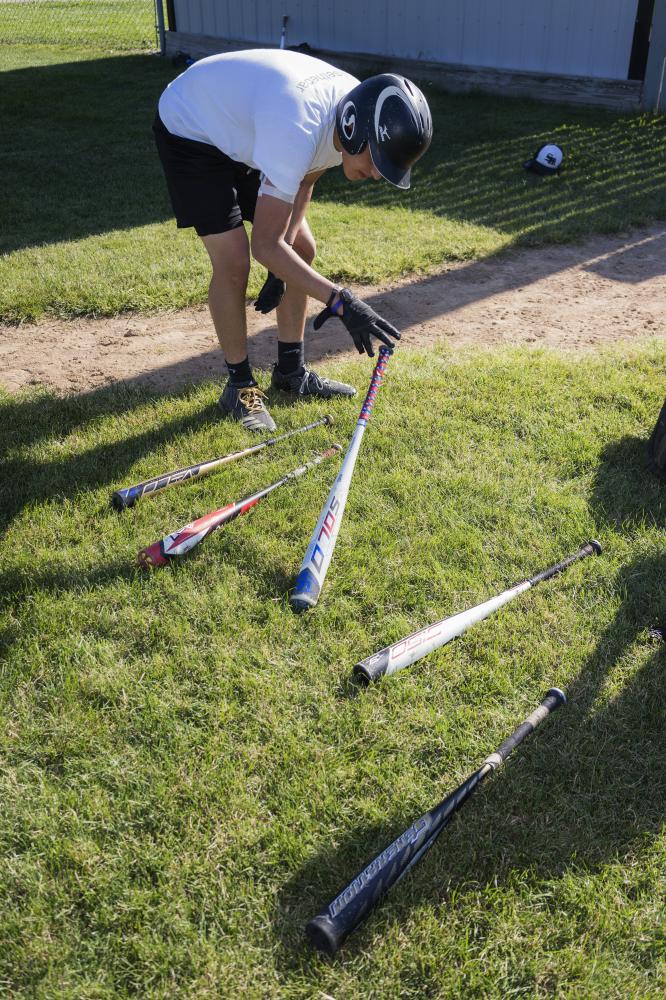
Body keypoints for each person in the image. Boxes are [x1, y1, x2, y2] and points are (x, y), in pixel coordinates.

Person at [154, 48, 433, 431]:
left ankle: (291, 373)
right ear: (354, 130)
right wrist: (341, 301)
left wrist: (283, 266)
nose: (375, 174)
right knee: (234, 259)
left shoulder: (353, 106)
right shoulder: (299, 126)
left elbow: (305, 179)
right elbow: (264, 245)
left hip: (245, 126)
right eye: (377, 160)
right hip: (192, 127)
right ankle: (239, 386)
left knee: (301, 248)